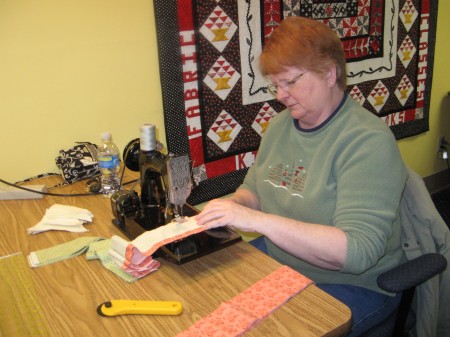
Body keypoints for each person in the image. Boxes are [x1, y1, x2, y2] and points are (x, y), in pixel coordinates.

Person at [195, 16, 408, 336]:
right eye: (276, 84)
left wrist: (258, 222)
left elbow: (357, 252)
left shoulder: (367, 141)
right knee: (204, 300)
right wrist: (228, 208)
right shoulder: (280, 126)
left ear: (330, 74)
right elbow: (255, 189)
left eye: (291, 82)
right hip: (284, 263)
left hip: (350, 284)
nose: (280, 95)